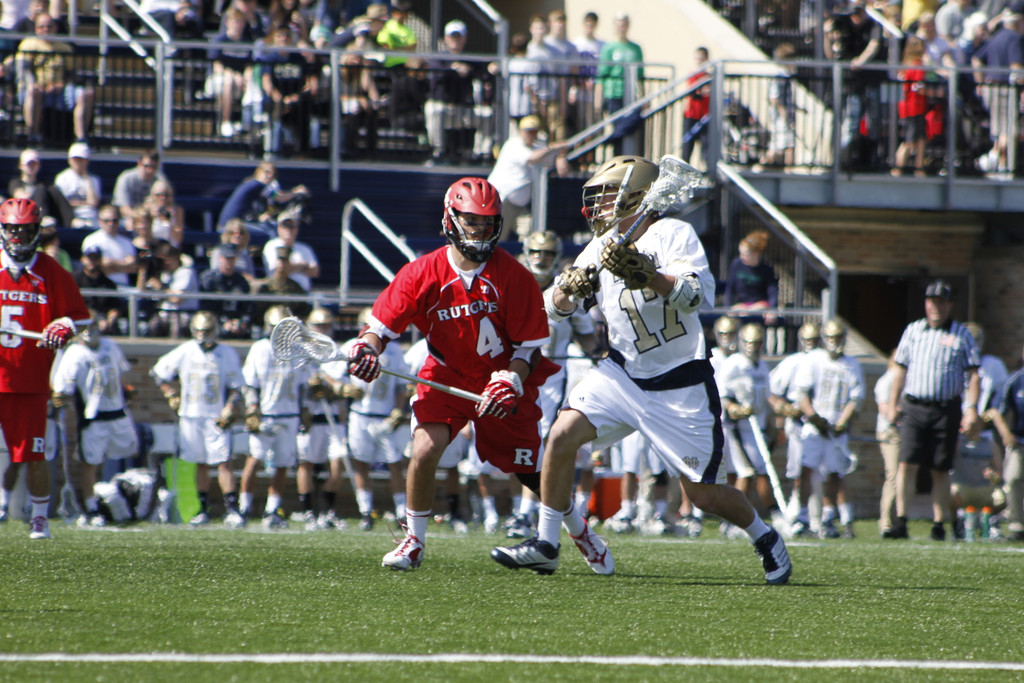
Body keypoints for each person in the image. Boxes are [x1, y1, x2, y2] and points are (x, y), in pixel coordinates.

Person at [492, 155, 792, 584]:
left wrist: (649, 276)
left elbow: (695, 298)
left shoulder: (674, 233)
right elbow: (550, 311)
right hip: (622, 374)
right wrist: (566, 292)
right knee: (559, 437)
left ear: (636, 192)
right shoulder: (600, 245)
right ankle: (546, 544)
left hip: (679, 382)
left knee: (703, 494)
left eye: (605, 194)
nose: (596, 206)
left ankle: (764, 537)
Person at [347, 177, 606, 573]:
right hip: (446, 375)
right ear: (451, 220)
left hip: (501, 381)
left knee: (530, 472)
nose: (480, 232)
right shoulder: (423, 271)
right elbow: (381, 328)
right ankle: (414, 542)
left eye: (488, 224)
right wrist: (367, 348)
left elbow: (530, 346)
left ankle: (579, 530)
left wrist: (512, 378)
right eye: (472, 222)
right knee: (424, 450)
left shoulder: (513, 276)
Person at [0, 198, 88, 539]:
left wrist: (65, 324)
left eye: (25, 229)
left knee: (34, 454)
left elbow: (81, 316)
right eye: (12, 229)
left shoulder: (51, 271)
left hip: (30, 379)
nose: (18, 236)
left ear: (37, 231)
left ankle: (39, 517)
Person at [885, 279, 981, 541]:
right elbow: (900, 370)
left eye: (941, 301)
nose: (936, 306)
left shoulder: (962, 335)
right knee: (907, 464)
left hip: (945, 408)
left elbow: (973, 375)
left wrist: (971, 409)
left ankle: (939, 523)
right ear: (925, 303)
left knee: (941, 468)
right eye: (931, 301)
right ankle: (901, 520)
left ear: (949, 304)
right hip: (914, 406)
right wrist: (893, 404)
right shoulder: (913, 330)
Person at [151, 310, 246, 528]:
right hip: (191, 416)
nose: (203, 335)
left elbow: (237, 386)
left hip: (216, 416)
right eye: (200, 331)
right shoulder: (185, 350)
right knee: (199, 463)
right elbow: (157, 372)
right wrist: (171, 394)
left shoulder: (227, 353)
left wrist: (231, 406)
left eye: (208, 330)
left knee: (224, 462)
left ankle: (232, 509)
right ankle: (202, 510)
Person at [50, 315, 138, 527]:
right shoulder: (74, 353)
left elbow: (121, 376)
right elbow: (61, 390)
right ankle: (90, 508)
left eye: (93, 325)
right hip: (92, 417)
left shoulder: (110, 346)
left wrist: (127, 391)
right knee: (90, 462)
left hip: (118, 413)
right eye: (85, 327)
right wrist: (62, 401)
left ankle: (125, 500)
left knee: (132, 450)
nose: (90, 330)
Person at [239, 305, 310, 528]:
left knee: (282, 464)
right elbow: (249, 383)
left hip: (289, 415)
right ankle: (243, 508)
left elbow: (304, 385)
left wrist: (306, 409)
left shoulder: (297, 349)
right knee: (254, 460)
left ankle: (272, 510)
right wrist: (252, 409)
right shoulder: (260, 348)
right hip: (266, 415)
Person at [340, 308, 411, 529]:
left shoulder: (395, 350)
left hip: (385, 415)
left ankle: (402, 512)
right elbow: (332, 375)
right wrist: (342, 388)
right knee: (361, 464)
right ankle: (366, 511)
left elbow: (403, 385)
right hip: (360, 414)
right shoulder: (352, 346)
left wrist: (398, 409)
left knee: (395, 464)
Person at [794, 320, 864, 539]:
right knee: (806, 469)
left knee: (834, 474)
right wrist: (814, 417)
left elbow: (856, 398)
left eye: (838, 338)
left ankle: (828, 516)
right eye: (830, 338)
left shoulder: (852, 364)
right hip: (815, 426)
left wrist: (843, 421)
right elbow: (802, 393)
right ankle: (803, 517)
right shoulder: (814, 359)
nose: (834, 342)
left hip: (837, 428)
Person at [296, 307, 362, 529]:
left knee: (338, 464)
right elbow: (301, 383)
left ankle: (327, 510)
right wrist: (318, 387)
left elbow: (341, 385)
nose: (321, 330)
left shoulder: (335, 353)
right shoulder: (302, 353)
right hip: (310, 416)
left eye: (325, 326)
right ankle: (307, 512)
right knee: (306, 464)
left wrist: (331, 388)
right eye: (317, 326)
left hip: (333, 415)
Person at [719, 322, 781, 524]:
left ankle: (738, 517)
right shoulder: (734, 364)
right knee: (748, 472)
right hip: (738, 427)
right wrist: (734, 408)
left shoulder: (762, 366)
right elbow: (721, 395)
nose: (753, 347)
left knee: (755, 472)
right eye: (749, 342)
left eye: (756, 343)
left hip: (758, 427)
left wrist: (772, 422)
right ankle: (740, 517)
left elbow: (766, 399)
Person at [769, 321, 823, 535]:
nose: (811, 344)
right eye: (807, 340)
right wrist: (784, 408)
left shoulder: (826, 361)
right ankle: (799, 515)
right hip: (801, 422)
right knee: (800, 470)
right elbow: (772, 391)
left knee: (826, 473)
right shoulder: (793, 362)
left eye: (814, 340)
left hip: (824, 423)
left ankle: (820, 516)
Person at [486, 115, 570, 241]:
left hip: (520, 207)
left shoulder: (537, 147)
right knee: (496, 239)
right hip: (503, 202)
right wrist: (554, 148)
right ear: (521, 132)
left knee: (530, 237)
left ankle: (524, 261)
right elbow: (533, 158)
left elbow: (548, 157)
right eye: (527, 131)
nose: (530, 135)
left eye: (533, 131)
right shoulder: (513, 144)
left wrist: (559, 157)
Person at [13, 13, 94, 144]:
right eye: (42, 27)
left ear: (55, 28)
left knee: (84, 95)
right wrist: (34, 84)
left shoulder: (64, 47)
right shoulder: (28, 45)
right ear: (36, 29)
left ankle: (81, 138)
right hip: (35, 89)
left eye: (49, 26)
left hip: (60, 90)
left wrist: (60, 84)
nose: (46, 29)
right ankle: (32, 135)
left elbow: (72, 73)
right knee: (32, 92)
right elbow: (24, 70)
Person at [423, 20, 482, 165]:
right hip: (442, 104)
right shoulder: (439, 58)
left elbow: (482, 74)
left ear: (464, 39)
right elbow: (435, 75)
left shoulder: (471, 59)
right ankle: (438, 151)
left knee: (485, 114)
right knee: (434, 110)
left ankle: (480, 153)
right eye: (452, 37)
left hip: (464, 107)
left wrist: (470, 71)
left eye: (458, 37)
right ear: (446, 39)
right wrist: (453, 68)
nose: (455, 40)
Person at [722, 229, 782, 352]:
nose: (742, 257)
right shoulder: (736, 264)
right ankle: (736, 348)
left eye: (745, 254)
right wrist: (728, 308)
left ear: (756, 254)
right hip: (741, 305)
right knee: (736, 312)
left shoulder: (766, 269)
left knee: (756, 309)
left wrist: (772, 309)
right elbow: (730, 288)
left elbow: (772, 291)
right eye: (741, 253)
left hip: (759, 306)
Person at [986, 347, 1024, 541]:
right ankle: (1018, 526)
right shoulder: (1015, 380)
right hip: (1020, 441)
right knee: (1014, 478)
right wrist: (1006, 433)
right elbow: (995, 410)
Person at [596, 13, 644, 155]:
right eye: (619, 23)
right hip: (613, 93)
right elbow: (602, 75)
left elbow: (640, 75)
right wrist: (598, 100)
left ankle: (611, 139)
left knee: (634, 121)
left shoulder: (635, 48)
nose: (622, 27)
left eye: (624, 23)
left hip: (631, 94)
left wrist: (642, 95)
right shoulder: (608, 48)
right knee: (619, 127)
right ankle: (617, 160)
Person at [216, 161, 309, 232]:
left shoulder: (250, 183)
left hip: (230, 224)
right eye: (266, 172)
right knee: (273, 230)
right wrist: (296, 191)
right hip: (230, 227)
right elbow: (280, 198)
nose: (270, 176)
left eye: (273, 174)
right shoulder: (257, 184)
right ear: (258, 172)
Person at [207, 8, 255, 137]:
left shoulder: (247, 42)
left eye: (240, 22)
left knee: (251, 80)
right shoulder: (220, 40)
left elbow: (250, 64)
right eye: (235, 21)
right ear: (227, 23)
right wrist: (234, 75)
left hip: (241, 81)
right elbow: (216, 65)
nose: (238, 25)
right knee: (227, 81)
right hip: (219, 78)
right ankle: (225, 121)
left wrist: (246, 74)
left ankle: (247, 122)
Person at [892, 36, 929, 178]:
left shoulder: (905, 65)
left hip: (906, 107)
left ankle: (919, 168)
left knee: (919, 138)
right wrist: (931, 91)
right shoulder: (917, 65)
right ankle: (898, 168)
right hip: (915, 107)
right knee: (910, 140)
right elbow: (919, 87)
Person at [874, 349, 902, 538]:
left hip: (904, 432)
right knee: (893, 476)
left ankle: (899, 521)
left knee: (903, 478)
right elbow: (885, 409)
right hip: (890, 432)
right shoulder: (887, 380)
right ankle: (885, 521)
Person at [199, 242, 252, 339]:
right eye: (226, 258)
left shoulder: (241, 281)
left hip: (236, 323)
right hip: (215, 323)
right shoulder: (209, 280)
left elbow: (247, 308)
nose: (229, 262)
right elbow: (205, 307)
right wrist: (222, 322)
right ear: (220, 258)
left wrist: (241, 322)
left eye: (232, 258)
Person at [7, 148, 72, 226]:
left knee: (53, 190)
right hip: (24, 215)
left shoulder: (45, 184)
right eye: (29, 164)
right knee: (41, 189)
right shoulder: (15, 182)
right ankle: (43, 218)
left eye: (34, 164)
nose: (31, 167)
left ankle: (71, 221)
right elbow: (21, 197)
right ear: (21, 166)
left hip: (45, 214)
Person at [147, 243, 200, 337]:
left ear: (174, 258)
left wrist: (160, 288)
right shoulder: (164, 274)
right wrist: (143, 271)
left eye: (166, 259)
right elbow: (141, 291)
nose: (164, 263)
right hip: (164, 314)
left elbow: (177, 299)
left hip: (183, 314)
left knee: (176, 324)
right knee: (152, 324)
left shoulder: (186, 272)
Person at [80, 205, 137, 287]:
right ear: (99, 221)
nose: (111, 224)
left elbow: (133, 268)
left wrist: (110, 264)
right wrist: (123, 265)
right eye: (106, 221)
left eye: (114, 221)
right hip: (101, 286)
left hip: (124, 287)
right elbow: (95, 266)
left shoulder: (127, 242)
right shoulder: (91, 240)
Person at [261, 213, 319, 291]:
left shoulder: (305, 248)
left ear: (297, 229)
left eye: (291, 226)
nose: (288, 230)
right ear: (279, 228)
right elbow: (279, 270)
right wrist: (302, 266)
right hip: (279, 292)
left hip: (303, 294)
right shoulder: (271, 246)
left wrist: (289, 267)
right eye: (285, 226)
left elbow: (315, 272)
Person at [761, 43, 797, 168]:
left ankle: (767, 165)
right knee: (785, 146)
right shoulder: (780, 77)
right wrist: (784, 114)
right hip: (781, 117)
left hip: (784, 115)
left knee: (783, 145)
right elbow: (775, 98)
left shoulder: (786, 76)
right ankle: (787, 171)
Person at [73, 245, 122, 334]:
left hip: (104, 323)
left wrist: (109, 320)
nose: (92, 262)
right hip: (81, 321)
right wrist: (95, 320)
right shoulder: (73, 280)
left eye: (95, 258)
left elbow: (115, 307)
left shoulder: (108, 283)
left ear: (100, 261)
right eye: (89, 258)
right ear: (82, 259)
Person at [53, 142, 100, 229]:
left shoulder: (94, 179)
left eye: (81, 159)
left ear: (87, 161)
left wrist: (88, 180)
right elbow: (63, 203)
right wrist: (85, 203)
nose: (78, 162)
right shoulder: (62, 178)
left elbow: (93, 203)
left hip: (91, 219)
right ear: (70, 160)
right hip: (72, 218)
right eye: (75, 159)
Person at [111, 150, 166, 220]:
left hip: (150, 219)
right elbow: (123, 209)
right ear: (139, 163)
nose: (150, 170)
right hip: (127, 218)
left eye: (153, 167)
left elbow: (166, 204)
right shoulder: (126, 178)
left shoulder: (160, 179)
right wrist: (139, 217)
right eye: (146, 166)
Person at [681, 47, 710, 166]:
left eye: (701, 58)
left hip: (705, 115)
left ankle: (707, 170)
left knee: (706, 145)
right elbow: (694, 92)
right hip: (691, 114)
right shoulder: (693, 75)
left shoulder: (709, 76)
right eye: (697, 58)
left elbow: (707, 91)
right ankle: (684, 169)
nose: (699, 61)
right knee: (688, 145)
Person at [210, 219, 258, 284]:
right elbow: (215, 272)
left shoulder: (245, 252)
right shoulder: (218, 251)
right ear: (227, 235)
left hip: (243, 286)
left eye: (241, 233)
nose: (237, 235)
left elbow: (251, 274)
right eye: (233, 233)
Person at [143, 179, 186, 247]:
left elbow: (178, 238)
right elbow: (144, 238)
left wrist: (170, 221)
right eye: (158, 195)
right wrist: (151, 218)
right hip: (153, 248)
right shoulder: (147, 209)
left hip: (171, 248)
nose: (162, 198)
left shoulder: (177, 210)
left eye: (166, 195)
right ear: (152, 195)